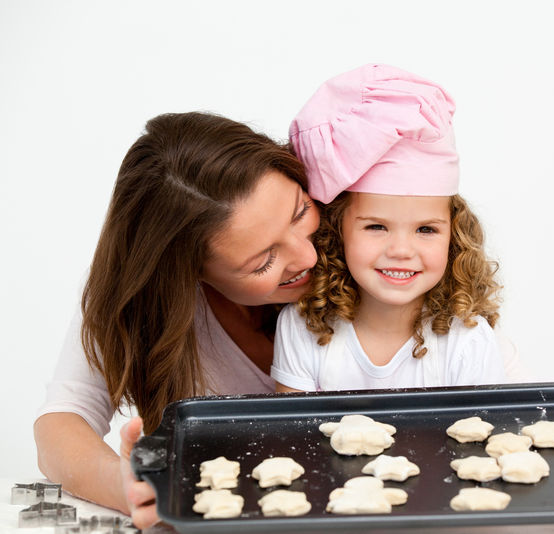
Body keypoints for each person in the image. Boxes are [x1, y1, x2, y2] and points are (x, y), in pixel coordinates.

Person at [33, 112, 320, 528]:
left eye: (300, 212)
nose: (307, 257)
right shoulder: (137, 301)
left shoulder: (370, 248)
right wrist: (125, 485)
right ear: (190, 273)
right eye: (264, 261)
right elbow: (63, 420)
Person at [272, 64, 506, 392]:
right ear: (336, 231)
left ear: (454, 236)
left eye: (426, 230)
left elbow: (480, 436)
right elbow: (292, 435)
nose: (400, 250)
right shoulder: (302, 328)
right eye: (377, 226)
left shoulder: (466, 339)